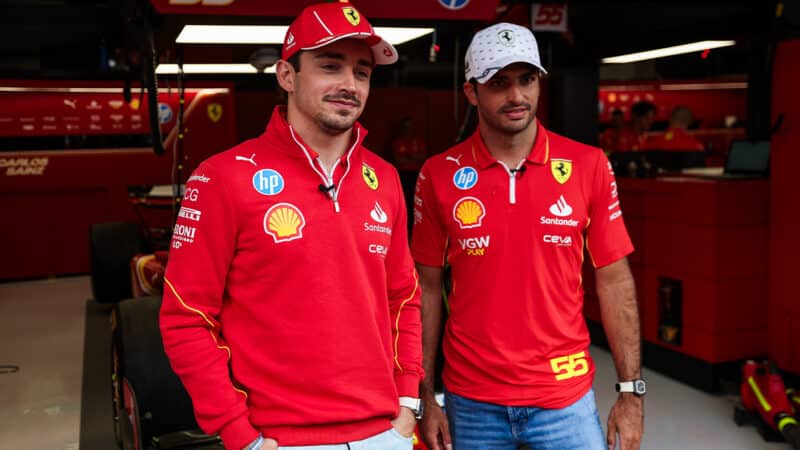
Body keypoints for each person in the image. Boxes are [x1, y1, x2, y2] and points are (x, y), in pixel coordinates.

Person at [159, 3, 423, 450]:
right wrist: (239, 433)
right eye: (329, 66)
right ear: (286, 76)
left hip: (385, 434)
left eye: (362, 72)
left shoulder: (385, 177)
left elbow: (404, 297)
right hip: (277, 440)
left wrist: (408, 401)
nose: (349, 85)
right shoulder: (223, 176)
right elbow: (186, 318)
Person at [412, 23, 644, 450]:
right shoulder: (438, 174)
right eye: (498, 83)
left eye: (527, 80)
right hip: (470, 399)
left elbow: (614, 280)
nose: (516, 96)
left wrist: (631, 393)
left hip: (564, 398)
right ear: (471, 92)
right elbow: (424, 289)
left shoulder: (588, 165)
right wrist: (425, 396)